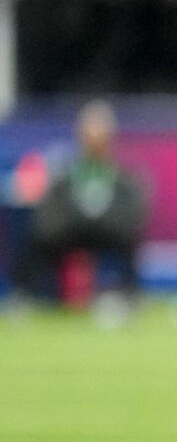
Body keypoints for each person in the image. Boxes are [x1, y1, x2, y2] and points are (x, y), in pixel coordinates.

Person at [8, 101, 147, 325]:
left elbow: (133, 211)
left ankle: (128, 297)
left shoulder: (121, 174)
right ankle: (24, 297)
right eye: (90, 133)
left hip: (109, 233)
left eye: (100, 133)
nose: (95, 139)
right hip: (72, 231)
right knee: (35, 237)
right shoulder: (68, 170)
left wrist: (110, 222)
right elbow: (52, 208)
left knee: (132, 241)